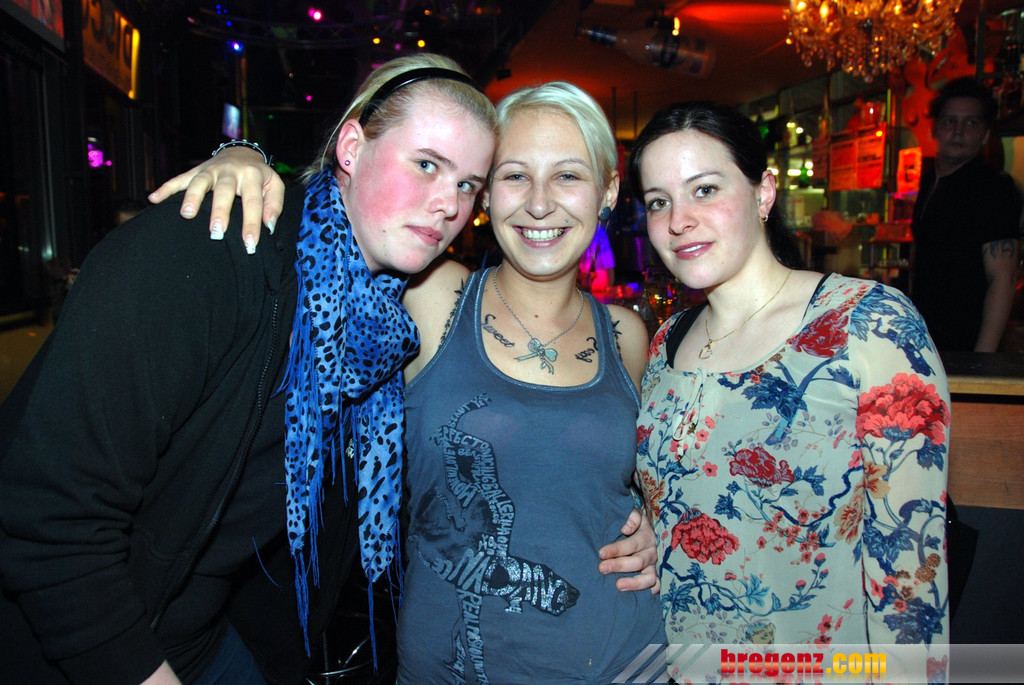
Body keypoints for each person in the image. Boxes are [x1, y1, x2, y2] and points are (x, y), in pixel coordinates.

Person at [0, 53, 498, 685]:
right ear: (351, 147)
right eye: (426, 164)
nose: (448, 204)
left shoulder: (379, 321)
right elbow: (50, 524)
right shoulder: (205, 253)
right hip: (87, 629)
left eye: (467, 185)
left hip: (198, 627)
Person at [150, 81, 666, 683]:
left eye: (568, 176)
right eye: (514, 176)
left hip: (625, 658)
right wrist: (245, 159)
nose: (539, 204)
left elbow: (649, 478)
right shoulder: (429, 294)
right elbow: (329, 237)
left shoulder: (628, 336)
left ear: (608, 191)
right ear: (485, 192)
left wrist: (657, 528)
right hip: (450, 667)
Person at [627, 102, 950, 670]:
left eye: (704, 190)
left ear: (764, 193)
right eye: (659, 201)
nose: (678, 220)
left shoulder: (869, 323)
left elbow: (911, 572)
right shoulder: (666, 342)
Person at [911, 76, 1021, 352]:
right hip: (926, 338)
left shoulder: (992, 188)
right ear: (934, 129)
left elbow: (1004, 278)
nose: (959, 131)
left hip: (965, 344)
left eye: (971, 123)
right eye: (950, 121)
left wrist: (982, 359)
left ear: (985, 134)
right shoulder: (931, 182)